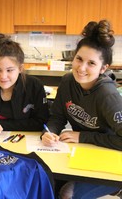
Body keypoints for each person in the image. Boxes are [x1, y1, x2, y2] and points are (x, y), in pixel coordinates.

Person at [41, 20, 122, 198]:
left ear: (103, 68)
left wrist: (82, 136)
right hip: (83, 153)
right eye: (79, 59)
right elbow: (57, 117)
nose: (81, 68)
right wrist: (50, 132)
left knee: (67, 194)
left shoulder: (107, 95)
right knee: (47, 181)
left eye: (91, 63)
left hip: (111, 159)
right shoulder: (67, 81)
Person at [0, 32, 49, 136]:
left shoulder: (35, 86)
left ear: (20, 68)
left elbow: (41, 121)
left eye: (9, 70)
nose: (3, 76)